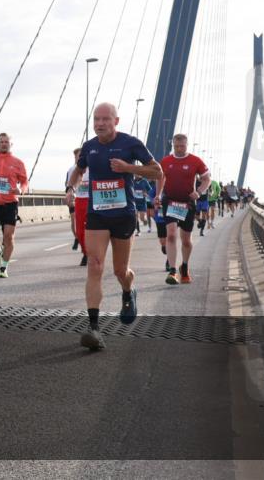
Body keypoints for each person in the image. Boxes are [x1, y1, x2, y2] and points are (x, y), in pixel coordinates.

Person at [66, 103, 162, 351]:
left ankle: (128, 291)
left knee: (121, 271)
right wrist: (70, 188)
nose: (99, 123)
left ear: (116, 121)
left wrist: (129, 168)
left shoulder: (131, 143)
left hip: (124, 215)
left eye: (105, 119)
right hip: (97, 215)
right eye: (96, 119)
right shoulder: (89, 147)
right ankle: (94, 328)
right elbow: (78, 170)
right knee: (95, 265)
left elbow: (157, 172)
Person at [155, 134, 210, 285]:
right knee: (171, 235)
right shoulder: (166, 161)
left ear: (187, 145)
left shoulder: (195, 160)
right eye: (176, 146)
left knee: (186, 240)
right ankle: (172, 271)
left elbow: (207, 178)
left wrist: (198, 192)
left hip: (187, 202)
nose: (179, 149)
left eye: (182, 146)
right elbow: (160, 178)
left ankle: (184, 267)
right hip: (170, 201)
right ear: (173, 145)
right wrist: (158, 195)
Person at [0, 133, 29, 278]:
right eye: (1, 141)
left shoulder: (18, 162)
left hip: (10, 203)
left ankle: (4, 267)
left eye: (6, 142)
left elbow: (24, 182)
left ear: (11, 144)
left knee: (8, 236)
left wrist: (20, 190)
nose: (4, 144)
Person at [66, 148, 90, 266]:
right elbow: (69, 185)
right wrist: (70, 193)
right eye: (78, 157)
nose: (80, 159)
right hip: (79, 200)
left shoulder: (93, 168)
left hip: (92, 200)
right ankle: (85, 252)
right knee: (79, 231)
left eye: (82, 156)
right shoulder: (72, 170)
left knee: (91, 230)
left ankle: (91, 254)